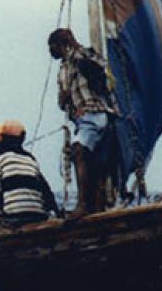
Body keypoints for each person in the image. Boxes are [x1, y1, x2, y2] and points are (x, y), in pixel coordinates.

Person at [48, 27, 119, 220]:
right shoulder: (62, 70)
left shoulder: (83, 55)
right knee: (92, 162)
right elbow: (62, 104)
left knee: (78, 150)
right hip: (81, 120)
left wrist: (75, 47)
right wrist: (64, 100)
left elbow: (101, 70)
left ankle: (82, 204)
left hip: (95, 113)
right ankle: (96, 206)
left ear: (62, 44)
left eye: (53, 46)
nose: (50, 51)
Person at [0, 120, 62, 228]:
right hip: (38, 215)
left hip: (14, 218)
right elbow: (45, 189)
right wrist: (55, 213)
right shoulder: (30, 158)